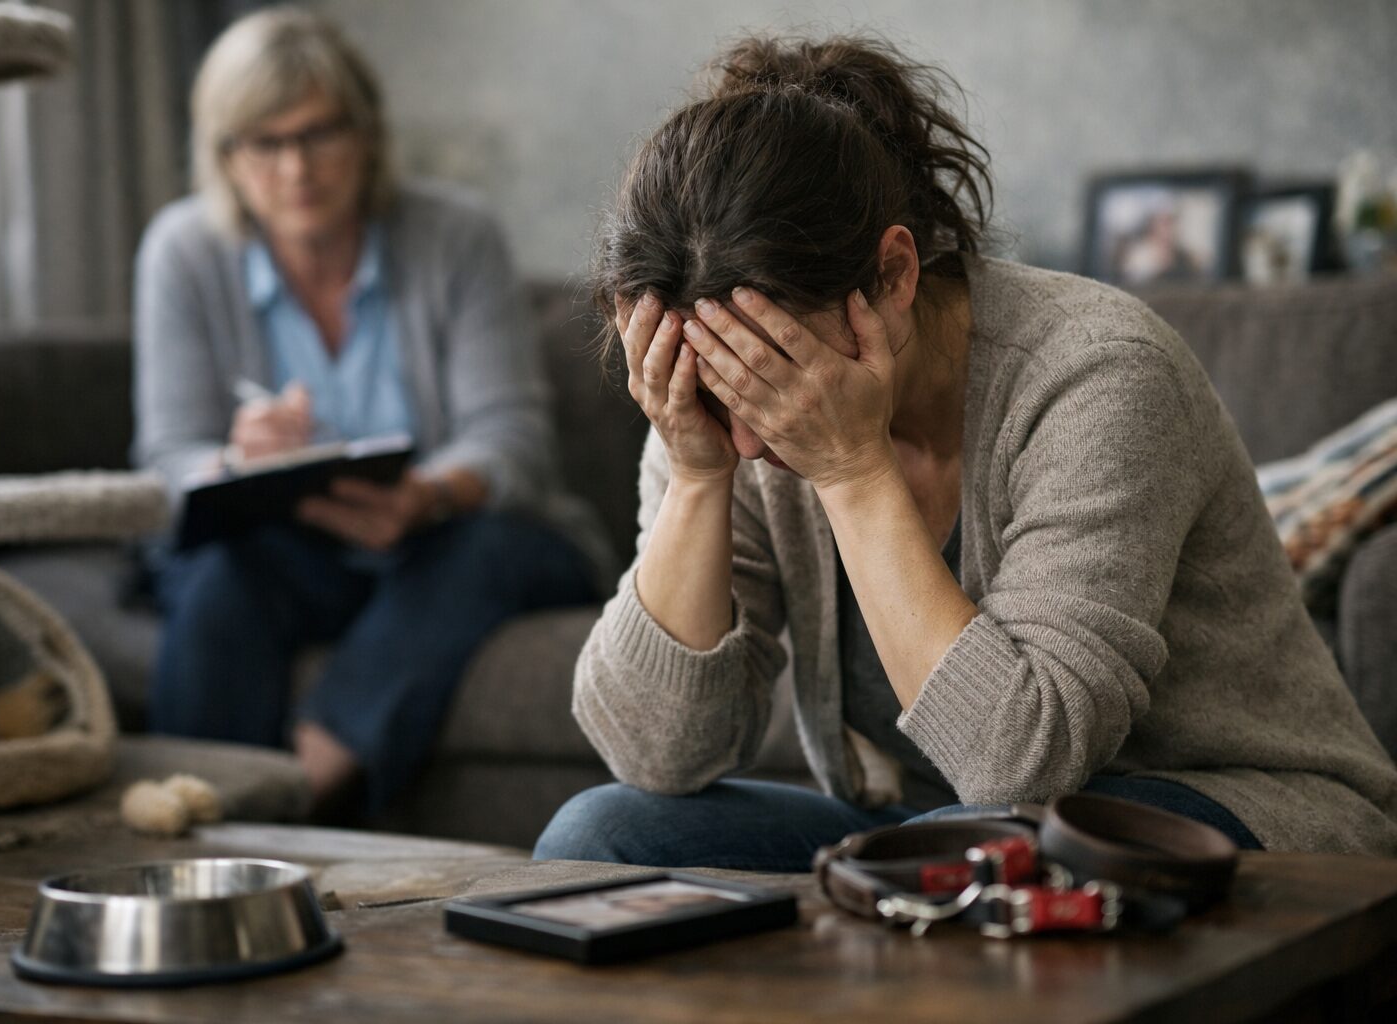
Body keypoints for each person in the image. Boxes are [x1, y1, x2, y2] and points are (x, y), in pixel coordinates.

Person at [533, 35, 1397, 869]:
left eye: (783, 374)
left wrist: (851, 471)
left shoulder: (1099, 373)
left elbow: (1020, 767)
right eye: (726, 396)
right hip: (930, 826)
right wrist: (695, 474)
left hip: (1223, 811)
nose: (757, 438)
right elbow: (656, 757)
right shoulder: (722, 414)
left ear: (896, 274)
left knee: (979, 851)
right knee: (598, 838)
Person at [132, 6, 607, 819]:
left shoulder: (456, 236)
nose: (296, 168)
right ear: (226, 157)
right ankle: (194, 819)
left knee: (480, 552)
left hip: (446, 539)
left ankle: (304, 788)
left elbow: (512, 441)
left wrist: (430, 495)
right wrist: (236, 466)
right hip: (297, 559)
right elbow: (166, 457)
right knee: (217, 574)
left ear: (368, 134)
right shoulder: (182, 250)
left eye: (320, 133)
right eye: (265, 143)